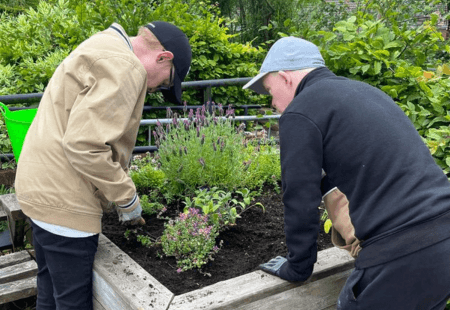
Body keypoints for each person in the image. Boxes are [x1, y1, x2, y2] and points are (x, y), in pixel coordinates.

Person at [243, 36, 450, 309]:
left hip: (403, 251)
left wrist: (297, 268)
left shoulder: (300, 111)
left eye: (270, 91)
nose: (273, 104)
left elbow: (299, 199)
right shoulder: (366, 92)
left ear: (285, 78)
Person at [14, 21, 192, 309]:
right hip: (65, 203)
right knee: (72, 303)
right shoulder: (126, 67)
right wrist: (126, 197)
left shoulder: (103, 45)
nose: (160, 88)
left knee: (48, 289)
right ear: (163, 57)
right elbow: (85, 145)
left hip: (39, 189)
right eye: (167, 81)